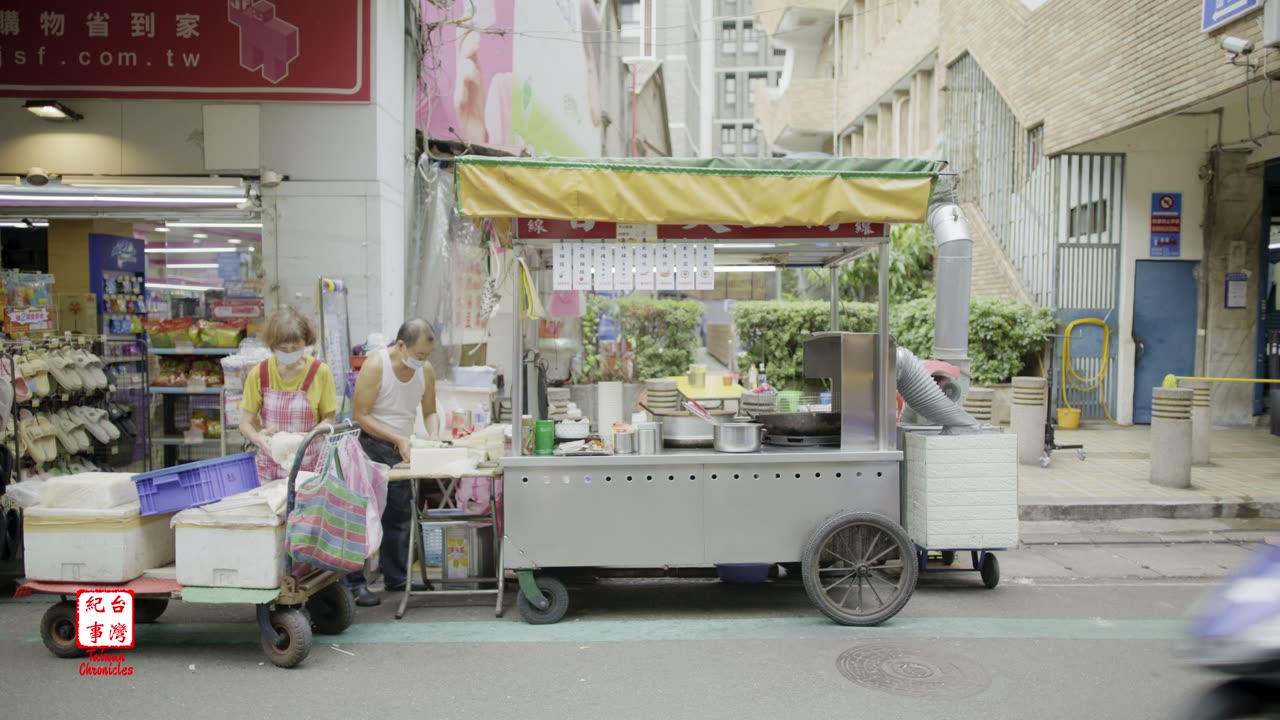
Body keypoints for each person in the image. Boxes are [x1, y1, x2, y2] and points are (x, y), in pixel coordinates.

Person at [347, 319, 440, 606]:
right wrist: (396, 438)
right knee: (363, 516)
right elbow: (361, 415)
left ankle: (397, 577)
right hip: (371, 446)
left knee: (400, 516)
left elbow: (430, 411)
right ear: (401, 345)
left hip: (404, 449)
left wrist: (434, 438)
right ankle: (355, 584)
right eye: (419, 355)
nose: (422, 361)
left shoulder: (425, 370)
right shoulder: (376, 366)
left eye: (427, 356)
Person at [240, 307, 338, 483]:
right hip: (271, 464)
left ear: (306, 342)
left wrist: (309, 435)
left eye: (295, 347)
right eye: (283, 349)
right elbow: (245, 422)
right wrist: (258, 438)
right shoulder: (259, 373)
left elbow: (329, 418)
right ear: (272, 346)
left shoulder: (320, 372)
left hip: (309, 466)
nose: (290, 353)